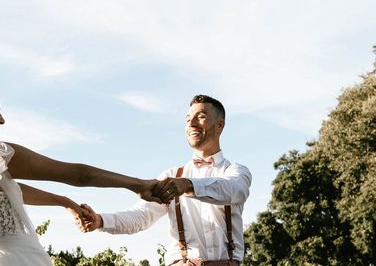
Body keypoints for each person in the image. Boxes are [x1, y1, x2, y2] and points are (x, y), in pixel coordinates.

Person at [0, 72, 163, 266]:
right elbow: (78, 174)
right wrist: (137, 184)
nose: (1, 120)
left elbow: (6, 191)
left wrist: (63, 201)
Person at [78, 95, 252, 266]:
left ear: (220, 125)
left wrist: (188, 185)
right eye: (188, 119)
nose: (191, 124)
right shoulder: (172, 175)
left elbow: (232, 190)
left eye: (201, 117)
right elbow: (141, 216)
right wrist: (100, 220)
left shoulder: (236, 172)